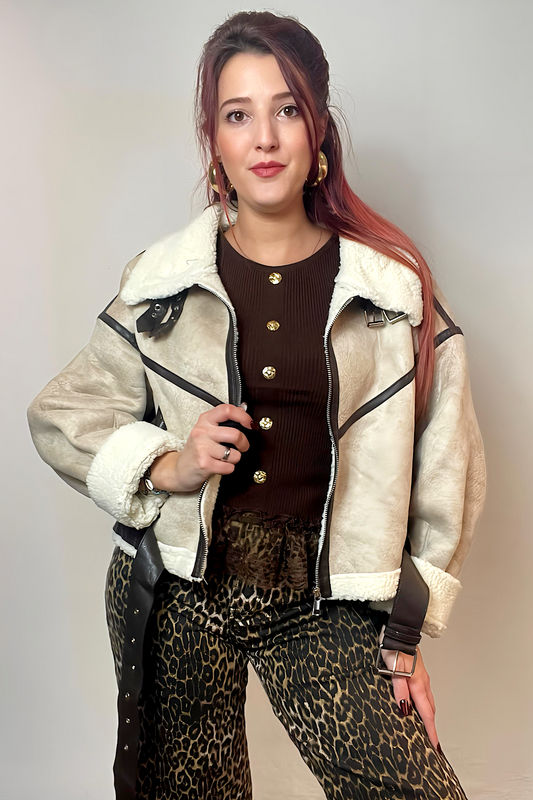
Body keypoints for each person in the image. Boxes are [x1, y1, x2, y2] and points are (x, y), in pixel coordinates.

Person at [27, 10, 487, 800]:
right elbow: (62, 413)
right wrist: (167, 465)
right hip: (178, 588)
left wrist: (403, 637)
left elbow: (450, 472)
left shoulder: (391, 294)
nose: (264, 139)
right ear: (214, 138)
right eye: (237, 116)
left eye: (286, 110)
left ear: (318, 128)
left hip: (322, 597)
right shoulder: (164, 281)